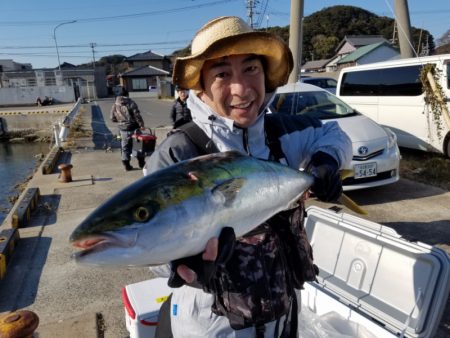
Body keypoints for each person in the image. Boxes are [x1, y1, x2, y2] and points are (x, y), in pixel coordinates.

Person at [144, 16, 352, 338]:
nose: (241, 88)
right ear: (201, 86)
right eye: (222, 74)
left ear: (265, 74)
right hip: (213, 325)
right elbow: (147, 242)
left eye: (251, 69)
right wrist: (180, 263)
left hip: (285, 315)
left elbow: (334, 134)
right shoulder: (179, 154)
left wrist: (326, 162)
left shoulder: (281, 131)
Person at [110, 94, 145, 171]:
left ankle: (127, 165)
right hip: (134, 128)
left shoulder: (115, 105)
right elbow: (137, 115)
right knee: (138, 146)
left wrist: (120, 122)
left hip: (123, 129)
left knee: (125, 147)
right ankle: (141, 164)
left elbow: (112, 118)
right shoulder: (131, 103)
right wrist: (141, 125)